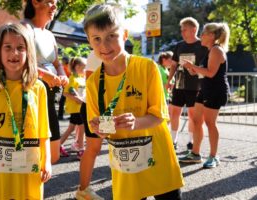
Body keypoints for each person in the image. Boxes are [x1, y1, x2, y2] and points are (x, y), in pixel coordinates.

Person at [81, 4, 184, 200]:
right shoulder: (94, 82)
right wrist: (100, 127)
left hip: (158, 157)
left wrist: (136, 122)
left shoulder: (147, 68)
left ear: (125, 34)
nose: (104, 45)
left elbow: (158, 116)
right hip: (126, 165)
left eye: (112, 36)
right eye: (97, 39)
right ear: (89, 41)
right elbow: (99, 124)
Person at [0, 23, 51, 199]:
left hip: (30, 166)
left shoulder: (38, 88)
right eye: (8, 47)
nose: (14, 53)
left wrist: (48, 161)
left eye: (20, 48)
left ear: (28, 52)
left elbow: (44, 130)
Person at [22, 0, 69, 164]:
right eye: (50, 1)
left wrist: (63, 75)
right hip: (31, 97)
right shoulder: (25, 28)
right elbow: (20, 62)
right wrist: (45, 75)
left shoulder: (49, 34)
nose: (55, 6)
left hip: (51, 96)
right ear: (35, 2)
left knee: (53, 155)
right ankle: (26, 187)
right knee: (31, 155)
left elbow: (57, 63)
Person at [179, 22, 230, 168]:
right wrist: (191, 69)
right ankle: (195, 153)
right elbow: (204, 72)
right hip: (206, 89)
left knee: (210, 123)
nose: (200, 36)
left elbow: (211, 73)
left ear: (212, 35)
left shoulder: (216, 50)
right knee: (196, 120)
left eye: (203, 33)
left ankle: (214, 156)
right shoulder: (210, 50)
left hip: (215, 91)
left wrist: (193, 67)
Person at [166, 17, 208, 150]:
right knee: (174, 113)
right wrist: (169, 80)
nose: (182, 32)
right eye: (181, 30)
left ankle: (191, 141)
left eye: (184, 30)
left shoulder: (202, 46)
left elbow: (207, 66)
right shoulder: (179, 45)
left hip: (195, 86)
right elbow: (173, 65)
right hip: (179, 84)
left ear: (194, 29)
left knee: (192, 115)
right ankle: (173, 140)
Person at [76, 50, 105, 200]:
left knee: (116, 146)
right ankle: (83, 190)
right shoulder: (96, 54)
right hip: (96, 108)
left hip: (111, 108)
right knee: (93, 148)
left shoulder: (124, 55)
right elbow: (90, 84)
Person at [59, 57, 86, 159]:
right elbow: (65, 93)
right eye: (84, 68)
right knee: (81, 127)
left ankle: (59, 145)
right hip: (76, 108)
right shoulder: (72, 79)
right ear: (78, 67)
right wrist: (76, 99)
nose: (85, 70)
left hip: (81, 107)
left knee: (72, 128)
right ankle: (80, 149)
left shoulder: (81, 78)